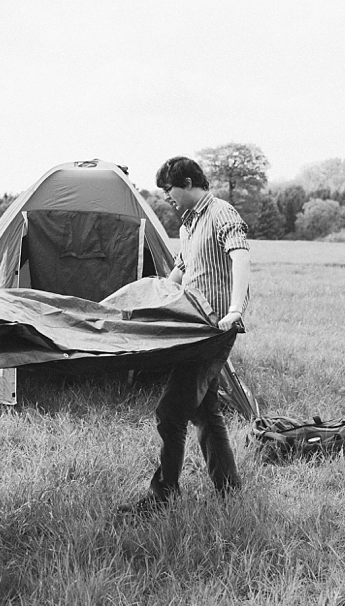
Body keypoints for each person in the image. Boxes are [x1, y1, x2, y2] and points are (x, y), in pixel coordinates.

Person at [121, 155, 250, 514]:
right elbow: (182, 268)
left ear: (189, 183)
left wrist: (235, 310)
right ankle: (229, 489)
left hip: (215, 328)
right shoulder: (189, 224)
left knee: (171, 412)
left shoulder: (221, 214)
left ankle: (163, 495)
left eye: (170, 189)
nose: (167, 197)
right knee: (207, 412)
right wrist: (154, 296)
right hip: (193, 326)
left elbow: (240, 257)